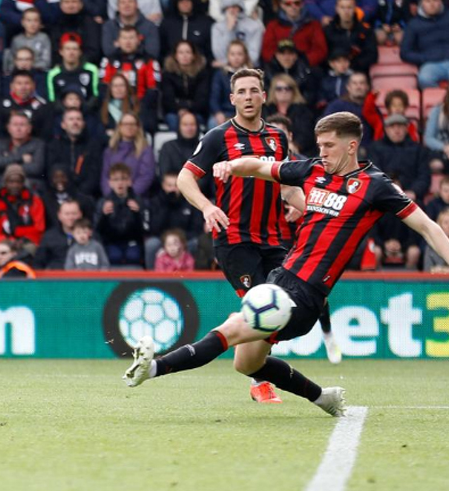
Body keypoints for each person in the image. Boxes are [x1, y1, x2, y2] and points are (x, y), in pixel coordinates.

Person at [125, 111, 449, 417]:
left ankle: (152, 368)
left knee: (233, 327)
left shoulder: (376, 186)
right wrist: (231, 166)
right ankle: (324, 397)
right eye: (319, 145)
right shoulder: (313, 170)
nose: (321, 152)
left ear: (352, 146)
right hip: (281, 277)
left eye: (328, 145)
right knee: (246, 364)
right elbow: (262, 167)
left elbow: (428, 228)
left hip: (307, 295)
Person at [177, 68, 300, 404]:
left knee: (286, 308)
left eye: (254, 91)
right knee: (260, 304)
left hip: (275, 238)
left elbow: (285, 184)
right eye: (241, 92)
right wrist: (206, 207)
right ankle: (259, 380)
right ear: (232, 99)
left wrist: (306, 207)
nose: (248, 97)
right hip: (235, 240)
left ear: (264, 96)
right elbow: (184, 179)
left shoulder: (278, 138)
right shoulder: (219, 137)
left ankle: (246, 349)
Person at [94, 163, 149, 267]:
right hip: (111, 242)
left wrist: (137, 214)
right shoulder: (103, 202)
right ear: (110, 183)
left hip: (133, 241)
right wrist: (104, 216)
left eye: (123, 179)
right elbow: (97, 230)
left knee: (133, 256)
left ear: (129, 181)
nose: (120, 183)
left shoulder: (138, 201)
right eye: (115, 179)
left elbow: (145, 230)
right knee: (114, 256)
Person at [260, 0, 328, 69]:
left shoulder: (314, 25)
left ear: (302, 4)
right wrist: (281, 61)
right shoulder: (273, 25)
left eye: (297, 3)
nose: (293, 6)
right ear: (282, 5)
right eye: (288, 4)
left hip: (306, 67)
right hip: (278, 68)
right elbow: (267, 49)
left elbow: (320, 49)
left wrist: (304, 60)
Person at [400, 0, 449, 89]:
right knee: (424, 78)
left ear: (440, 1)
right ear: (422, 3)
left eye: (435, 0)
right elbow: (405, 53)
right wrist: (424, 58)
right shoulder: (413, 24)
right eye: (427, 0)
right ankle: (442, 103)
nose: (432, 4)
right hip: (431, 64)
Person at [101, 112, 155, 197]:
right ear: (119, 127)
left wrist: (129, 196)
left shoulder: (145, 150)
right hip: (112, 198)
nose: (129, 127)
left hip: (137, 198)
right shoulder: (110, 151)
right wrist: (111, 196)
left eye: (132, 124)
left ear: (138, 127)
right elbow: (105, 177)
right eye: (125, 124)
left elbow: (146, 177)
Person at [34, 198, 82, 269]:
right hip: (55, 277)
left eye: (74, 213)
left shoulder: (91, 236)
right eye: (67, 214)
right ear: (59, 216)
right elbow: (38, 263)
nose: (70, 217)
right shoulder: (49, 237)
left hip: (83, 277)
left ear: (80, 214)